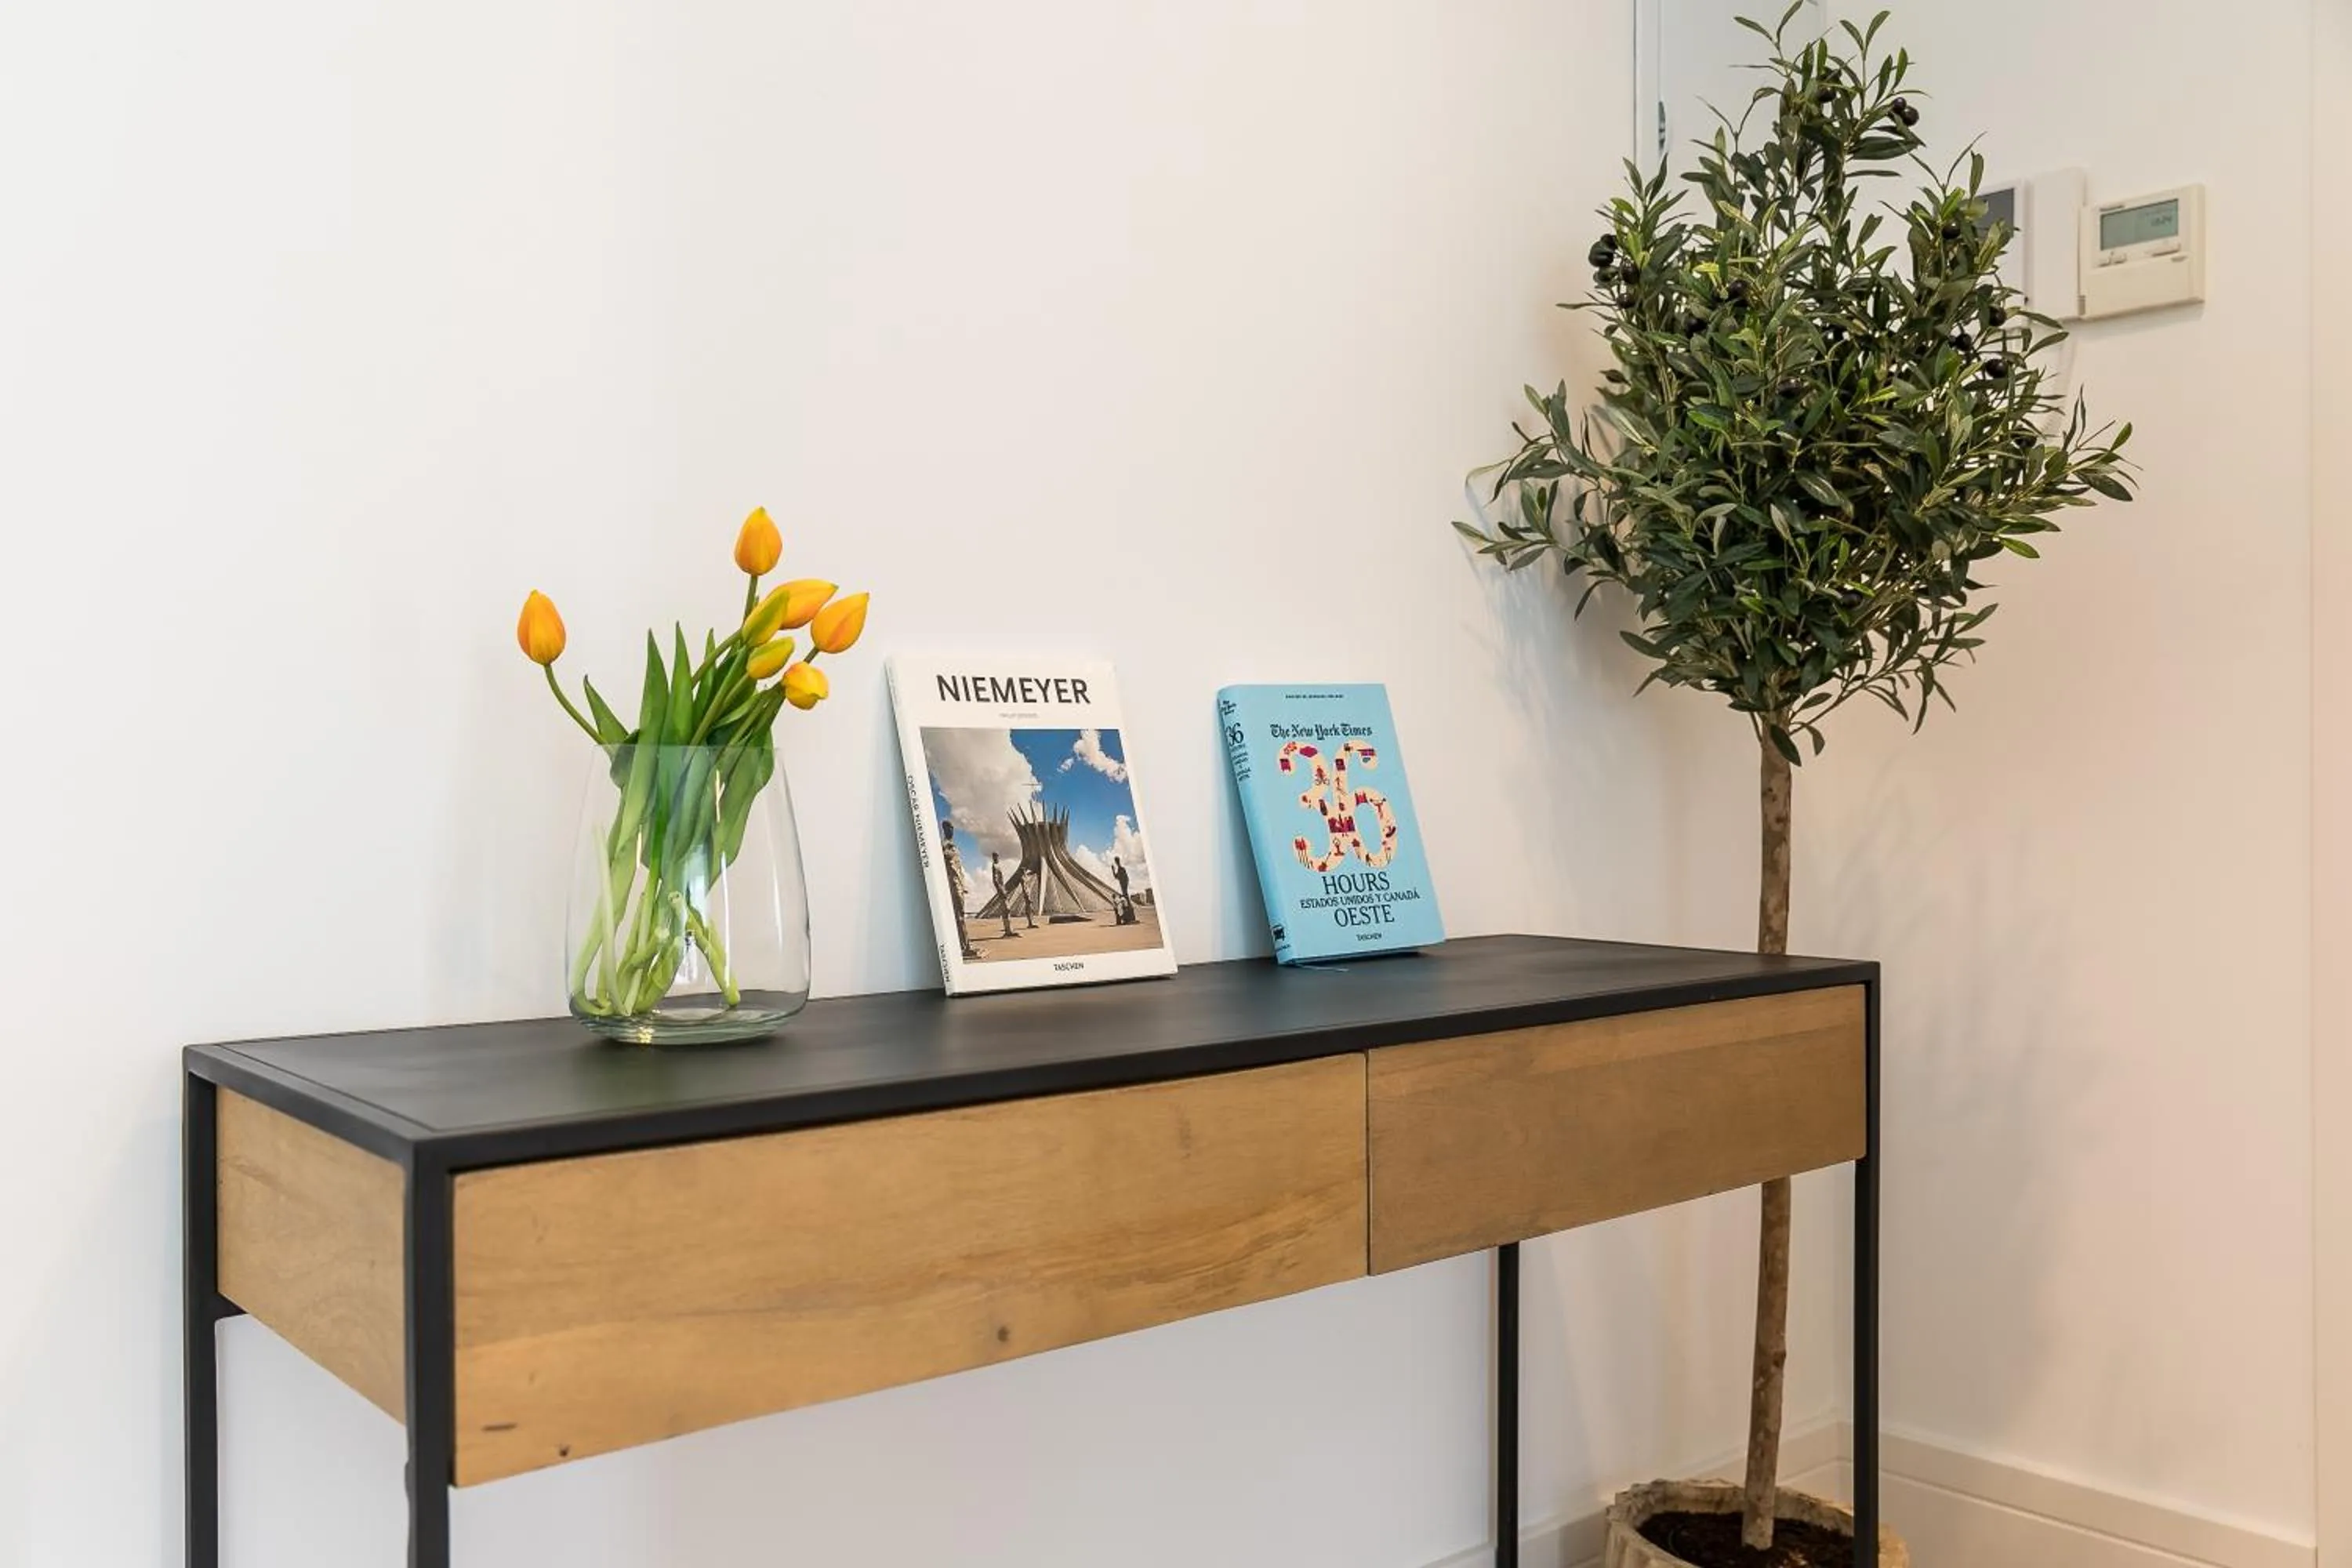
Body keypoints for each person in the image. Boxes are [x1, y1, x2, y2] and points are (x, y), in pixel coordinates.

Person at [941, 818, 982, 960]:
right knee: (959, 916)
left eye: (952, 828)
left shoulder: (955, 847)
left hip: (959, 884)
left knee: (961, 915)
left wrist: (964, 885)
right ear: (944, 829)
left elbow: (959, 868)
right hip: (953, 884)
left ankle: (965, 945)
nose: (951, 830)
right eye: (949, 828)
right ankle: (964, 947)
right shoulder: (944, 846)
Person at [990, 851, 1018, 939]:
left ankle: (1009, 929)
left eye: (997, 856)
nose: (996, 858)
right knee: (1005, 909)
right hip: (1001, 890)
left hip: (1003, 888)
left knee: (1007, 909)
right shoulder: (994, 866)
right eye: (995, 857)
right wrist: (1000, 890)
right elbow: (995, 880)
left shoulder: (998, 866)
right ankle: (1008, 931)